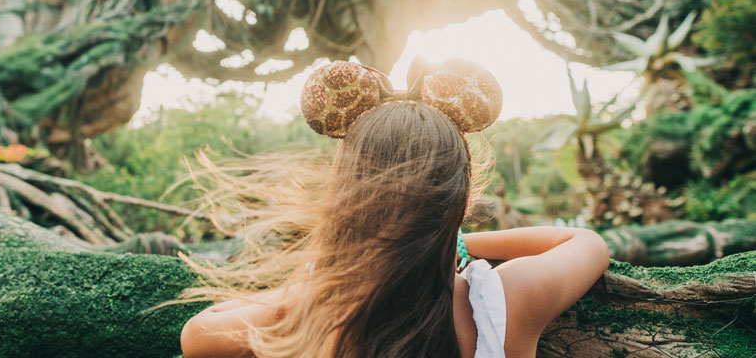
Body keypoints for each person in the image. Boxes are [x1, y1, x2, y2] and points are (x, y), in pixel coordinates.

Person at [175, 59, 610, 358]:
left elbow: (197, 333)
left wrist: (334, 274)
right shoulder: (510, 301)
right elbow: (586, 242)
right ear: (460, 195)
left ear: (343, 197)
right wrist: (445, 240)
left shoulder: (312, 313)